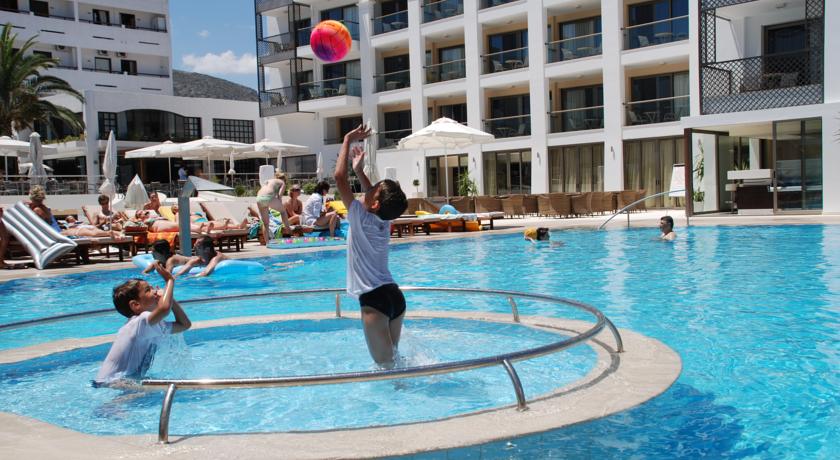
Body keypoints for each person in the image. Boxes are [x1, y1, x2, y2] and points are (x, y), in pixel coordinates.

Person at [334, 125, 408, 368]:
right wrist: (359, 170)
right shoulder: (385, 221)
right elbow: (371, 194)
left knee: (386, 367)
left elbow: (338, 178)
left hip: (374, 300)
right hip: (394, 296)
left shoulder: (359, 215)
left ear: (375, 203)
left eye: (373, 189)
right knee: (395, 363)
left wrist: (347, 138)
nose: (368, 189)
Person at [95, 263, 191, 384]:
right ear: (136, 305)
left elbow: (184, 324)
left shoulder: (150, 325)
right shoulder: (138, 323)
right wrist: (169, 280)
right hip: (111, 382)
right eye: (148, 290)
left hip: (122, 382)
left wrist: (170, 298)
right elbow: (164, 309)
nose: (155, 291)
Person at [256, 171, 294, 243]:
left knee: (265, 223)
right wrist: (279, 203)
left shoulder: (269, 181)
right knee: (283, 211)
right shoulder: (282, 182)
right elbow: (279, 196)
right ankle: (288, 230)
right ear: (284, 179)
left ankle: (267, 242)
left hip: (259, 198)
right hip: (268, 197)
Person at [133, 209, 207, 233]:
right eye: (140, 214)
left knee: (181, 223)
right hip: (160, 226)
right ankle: (199, 229)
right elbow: (135, 222)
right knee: (181, 225)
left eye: (142, 211)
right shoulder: (144, 221)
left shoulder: (151, 217)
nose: (142, 213)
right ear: (139, 217)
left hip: (164, 225)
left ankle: (203, 228)